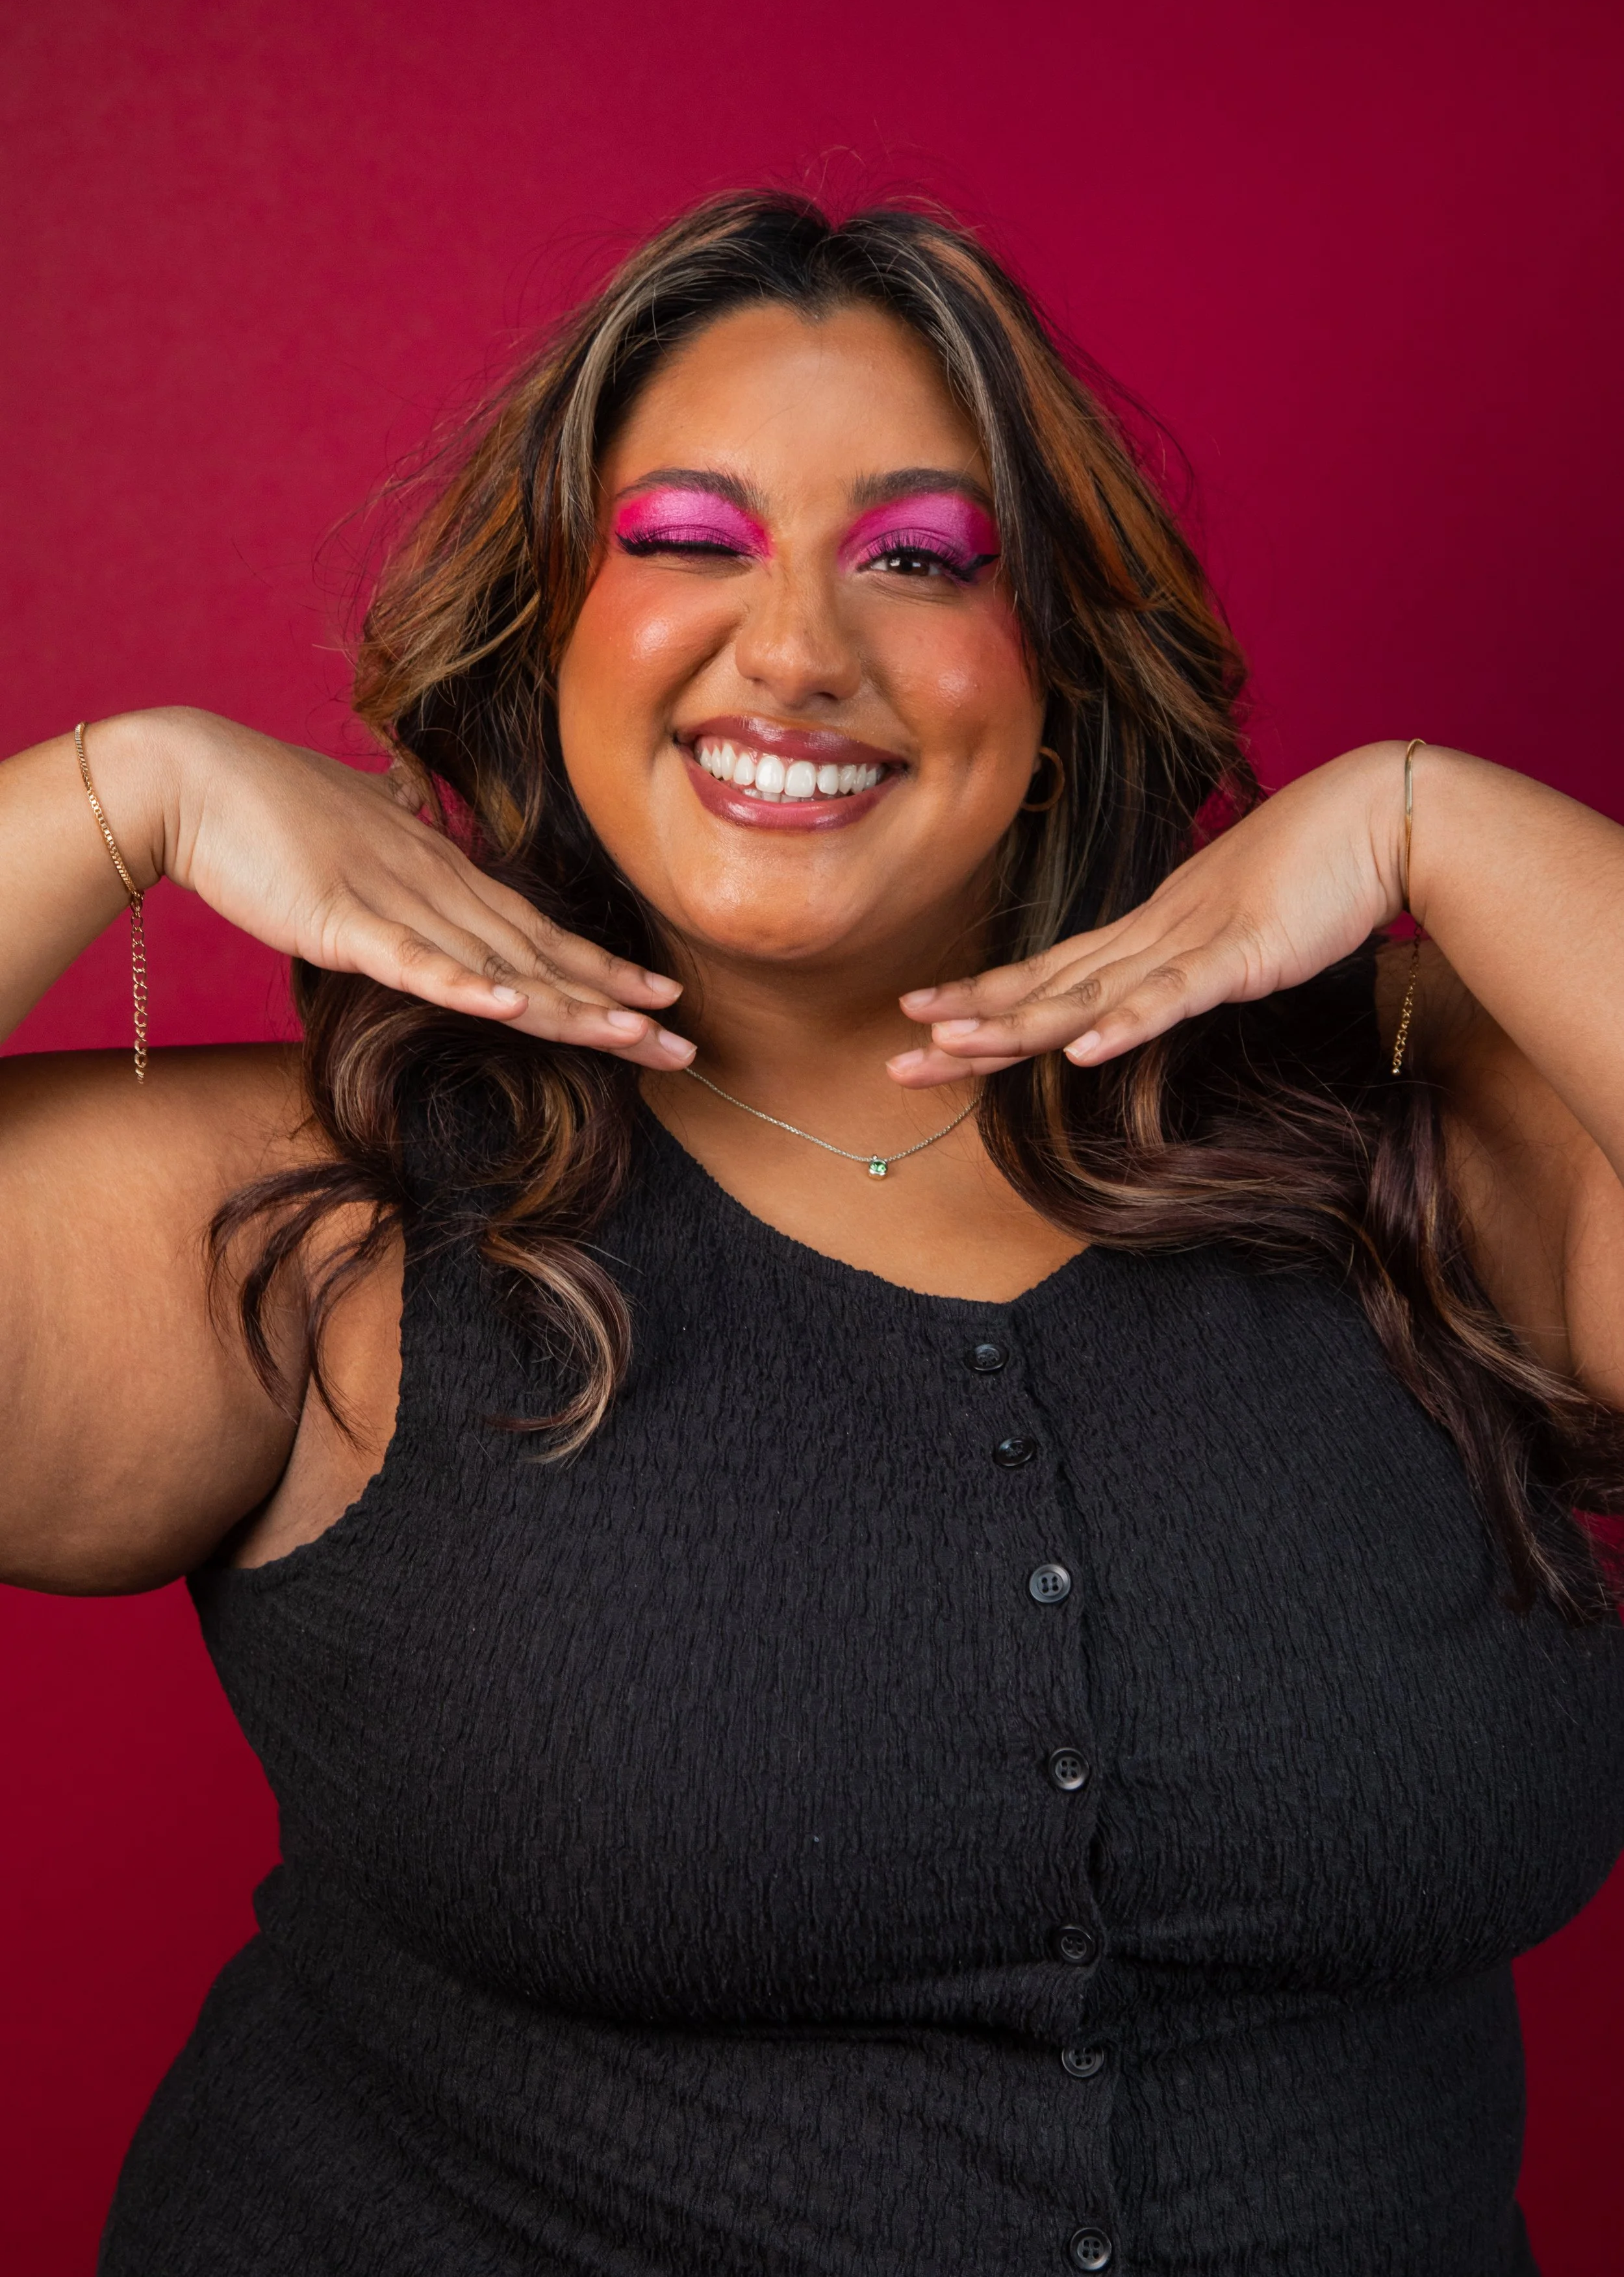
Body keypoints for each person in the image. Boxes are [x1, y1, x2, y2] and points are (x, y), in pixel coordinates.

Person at [3, 192, 1623, 2277]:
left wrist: (1432, 817)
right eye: (684, 539)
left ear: (1056, 649)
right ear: (548, 628)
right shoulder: (328, 1211)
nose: (793, 647)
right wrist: (127, 793)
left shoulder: (1416, 1146)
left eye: (921, 560)